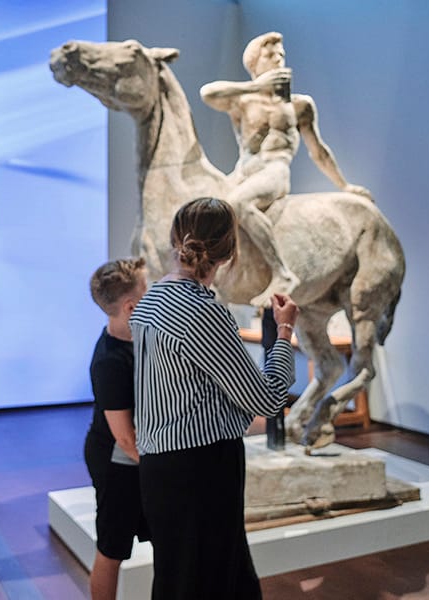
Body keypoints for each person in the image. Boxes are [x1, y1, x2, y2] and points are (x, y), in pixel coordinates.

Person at [130, 197, 298, 599]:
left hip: (158, 465)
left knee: (180, 575)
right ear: (230, 251)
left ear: (175, 239)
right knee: (214, 578)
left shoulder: (149, 302)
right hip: (202, 465)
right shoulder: (203, 311)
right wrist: (285, 333)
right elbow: (268, 399)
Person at [199, 31, 371, 305]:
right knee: (203, 212)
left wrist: (344, 186)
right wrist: (256, 87)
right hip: (243, 171)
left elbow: (319, 151)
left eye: (281, 54)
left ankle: (282, 272)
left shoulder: (299, 105)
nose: (278, 58)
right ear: (255, 63)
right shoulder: (243, 100)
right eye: (270, 55)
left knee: (237, 204)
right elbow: (207, 93)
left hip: (274, 169)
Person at [84, 257, 151, 600]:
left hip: (133, 460)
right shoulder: (111, 360)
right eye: (146, 289)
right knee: (112, 550)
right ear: (130, 305)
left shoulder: (137, 338)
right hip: (117, 464)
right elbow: (125, 438)